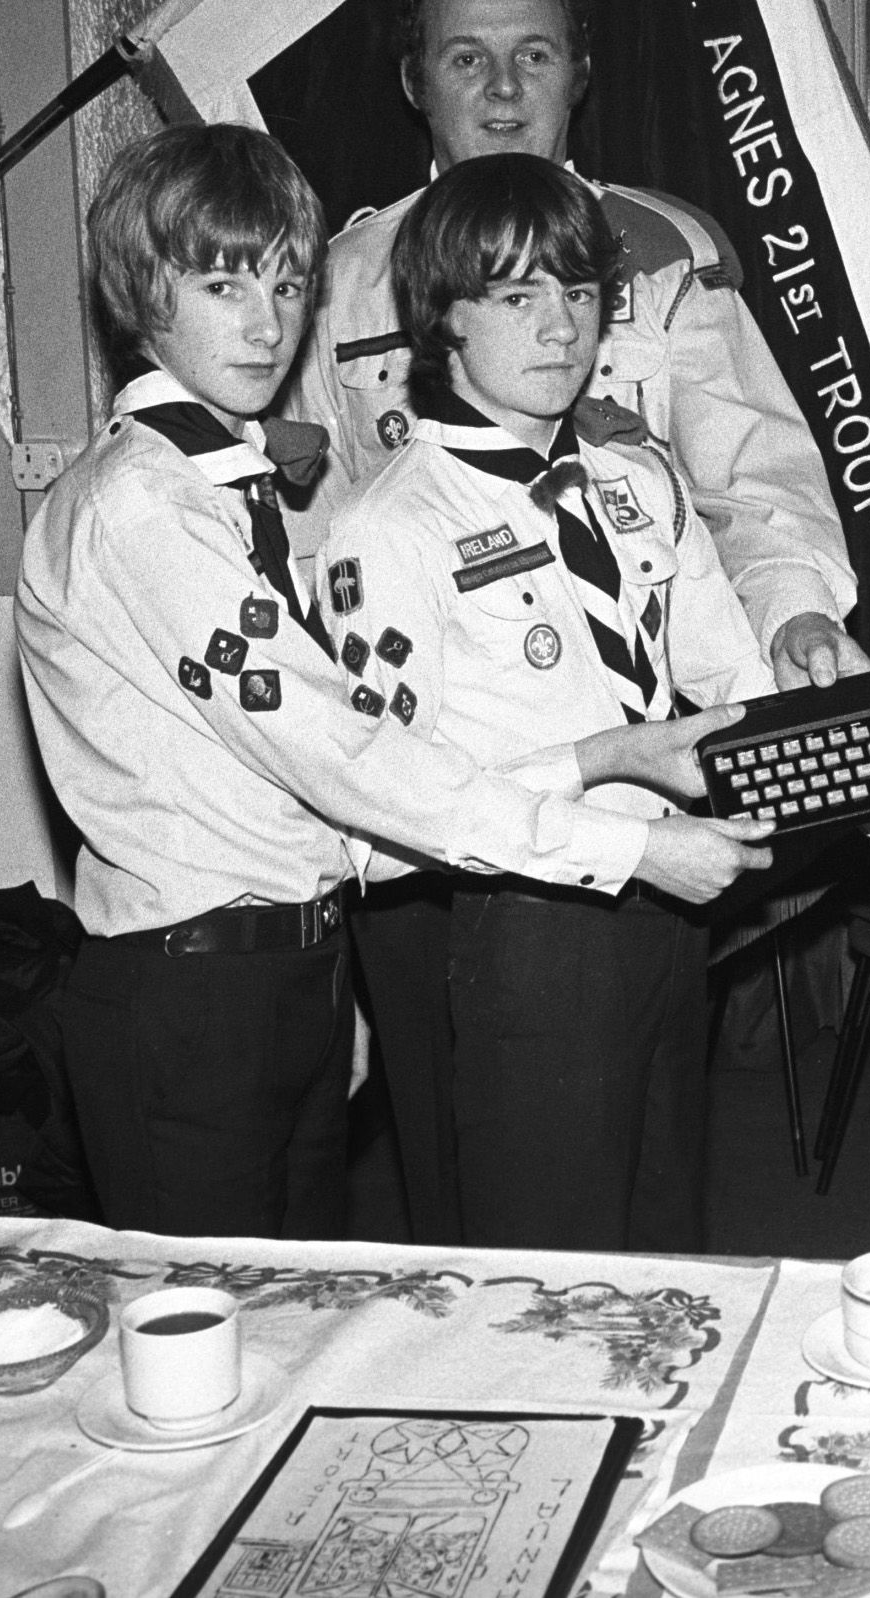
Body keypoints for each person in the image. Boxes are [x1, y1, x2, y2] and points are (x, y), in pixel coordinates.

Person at [15, 126, 767, 1242]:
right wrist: (629, 835)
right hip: (194, 990)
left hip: (287, 969)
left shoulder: (224, 488)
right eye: (222, 284)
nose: (267, 323)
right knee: (211, 1348)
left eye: (286, 282)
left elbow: (317, 789)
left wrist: (333, 994)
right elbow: (350, 758)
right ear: (140, 294)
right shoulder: (143, 511)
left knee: (304, 1330)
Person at [319, 155, 775, 1253]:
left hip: (675, 909)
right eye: (517, 296)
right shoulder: (389, 529)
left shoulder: (635, 482)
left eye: (578, 293)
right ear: (443, 321)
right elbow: (377, 831)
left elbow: (735, 687)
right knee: (544, 1272)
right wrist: (612, 764)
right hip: (525, 930)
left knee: (667, 1255)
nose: (561, 327)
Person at [281, 0, 867, 689]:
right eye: (466, 59)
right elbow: (307, 542)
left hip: (672, 702)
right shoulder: (342, 280)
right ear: (414, 82)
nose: (502, 89)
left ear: (578, 75)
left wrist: (795, 615)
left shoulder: (662, 255)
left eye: (534, 56)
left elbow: (753, 484)